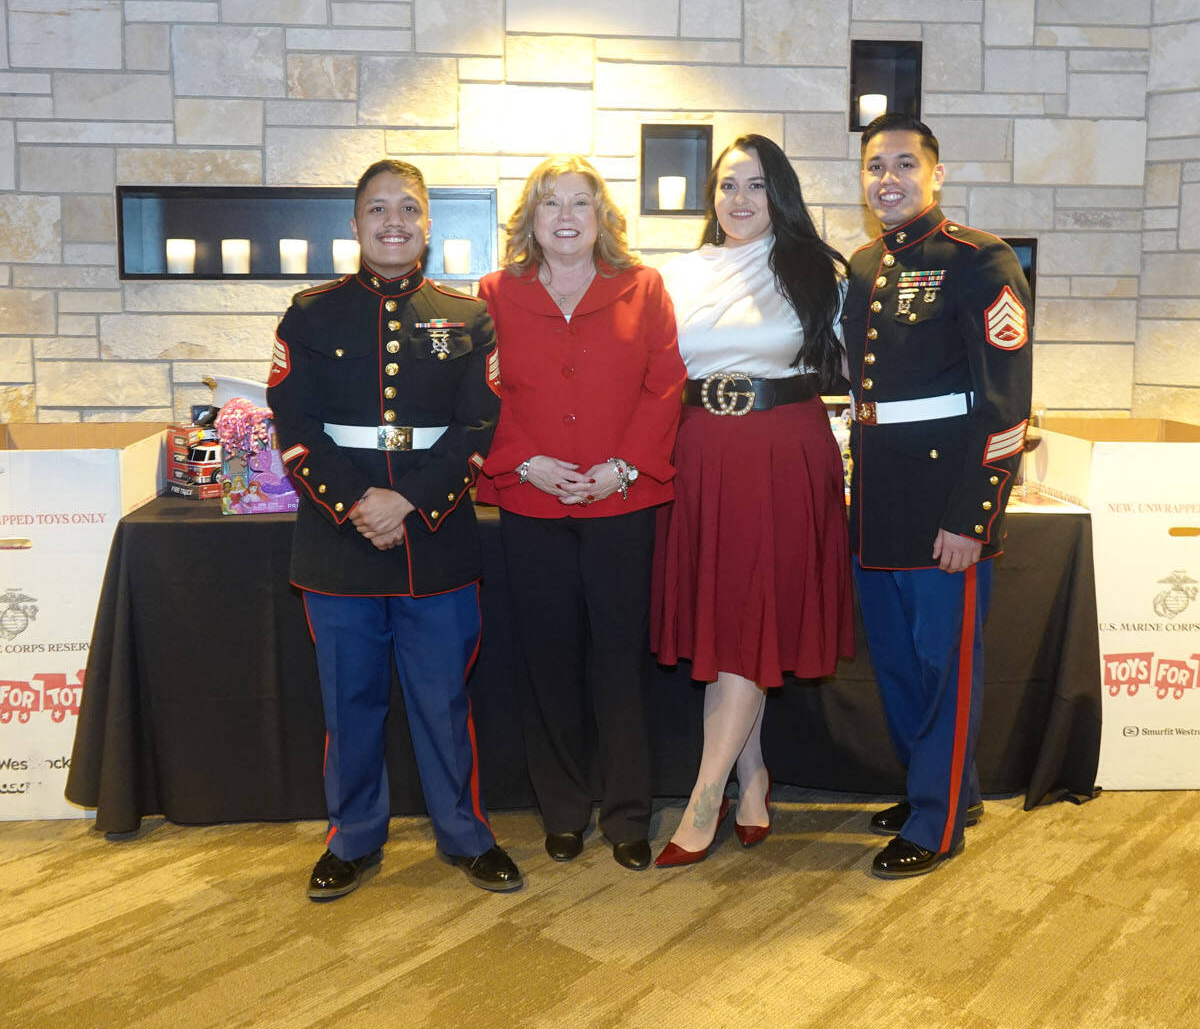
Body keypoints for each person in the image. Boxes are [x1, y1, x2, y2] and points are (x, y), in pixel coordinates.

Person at [267, 158, 522, 900]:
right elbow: (296, 424)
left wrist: (406, 502)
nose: (394, 223)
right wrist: (358, 504)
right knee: (349, 704)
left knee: (444, 700)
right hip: (338, 541)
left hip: (434, 535)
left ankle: (466, 834)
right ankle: (351, 838)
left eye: (408, 209)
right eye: (378, 209)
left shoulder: (466, 315)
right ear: (354, 224)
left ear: (429, 225)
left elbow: (479, 424)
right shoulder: (310, 313)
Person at [476, 156, 685, 872]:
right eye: (549, 205)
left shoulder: (644, 288)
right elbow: (480, 395)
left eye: (580, 204)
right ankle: (563, 810)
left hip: (622, 503)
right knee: (547, 663)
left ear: (603, 218)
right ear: (529, 221)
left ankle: (628, 812)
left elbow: (666, 386)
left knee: (620, 664)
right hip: (530, 501)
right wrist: (521, 459)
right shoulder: (495, 294)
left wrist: (621, 469)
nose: (565, 218)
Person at [651, 133, 855, 867]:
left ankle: (703, 800)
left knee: (749, 615)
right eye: (729, 184)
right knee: (737, 621)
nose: (740, 199)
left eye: (758, 185)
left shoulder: (815, 272)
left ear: (782, 194)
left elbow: (865, 370)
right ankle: (753, 776)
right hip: (701, 450)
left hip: (784, 450)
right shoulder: (674, 275)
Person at [844, 113, 1033, 879]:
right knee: (897, 665)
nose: (888, 179)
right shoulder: (862, 266)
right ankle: (944, 786)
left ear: (936, 174)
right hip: (879, 504)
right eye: (874, 167)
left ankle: (939, 818)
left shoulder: (980, 261)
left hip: (941, 506)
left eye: (904, 165)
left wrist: (972, 518)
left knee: (943, 666)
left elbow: (1004, 406)